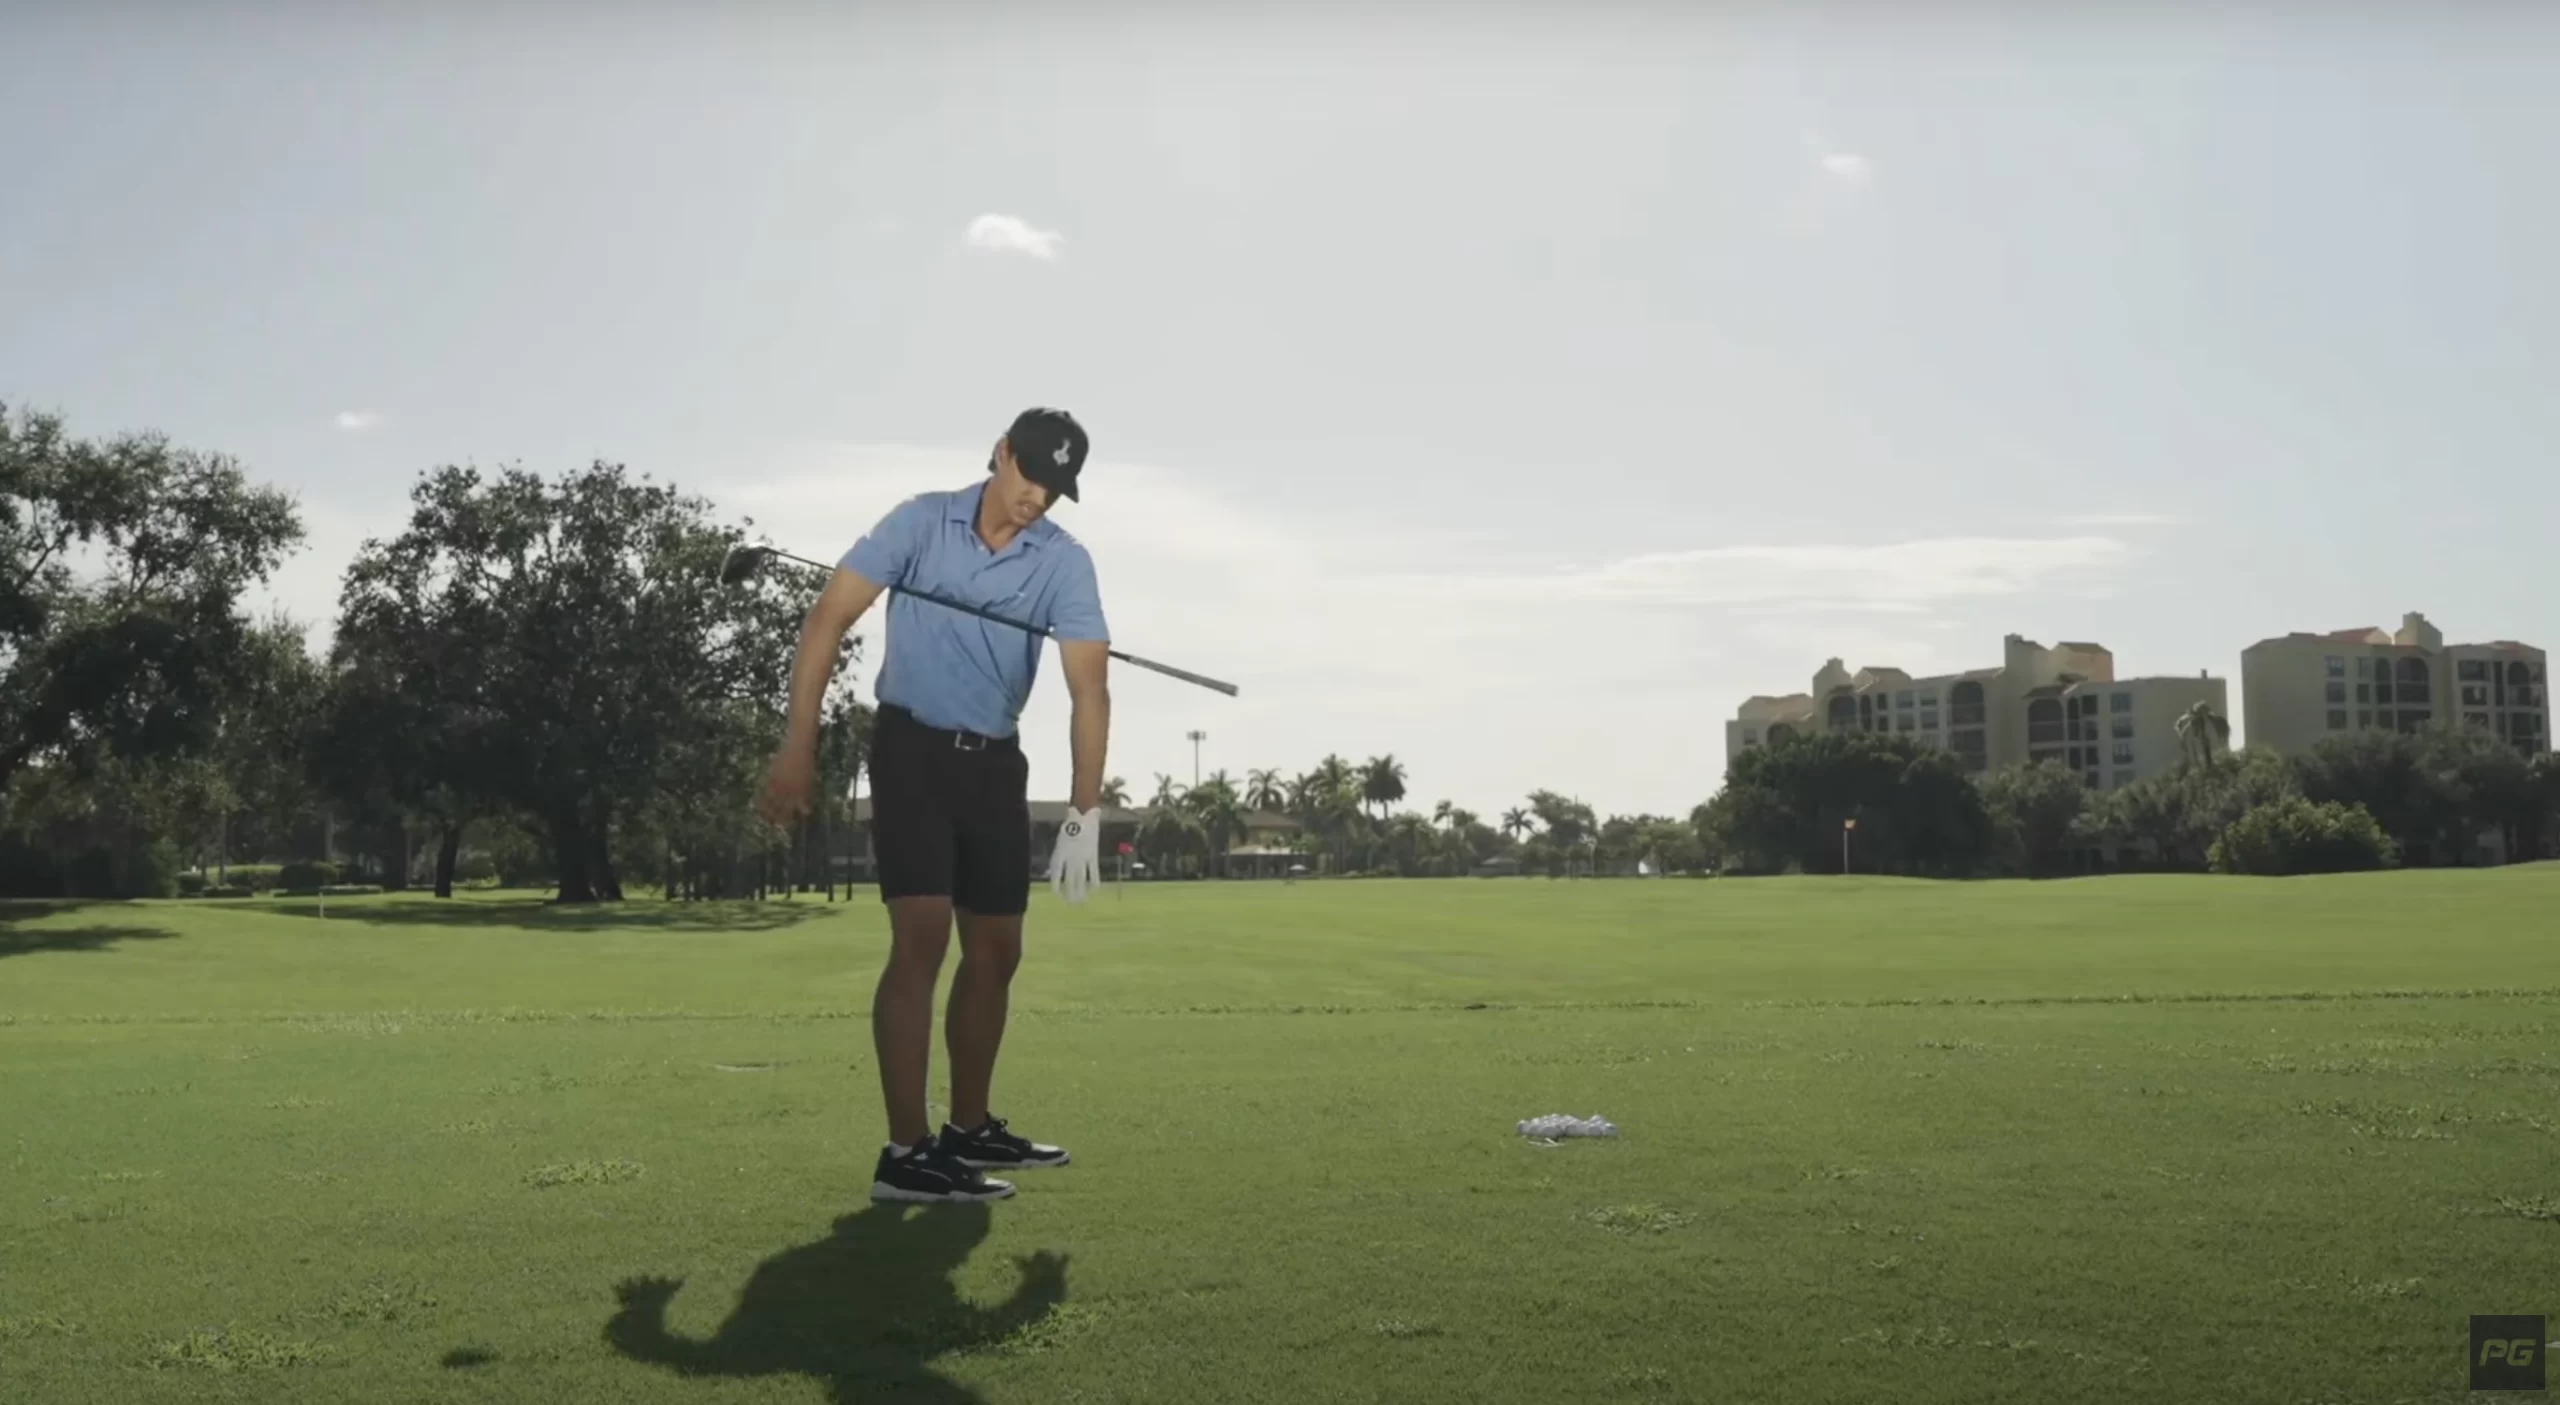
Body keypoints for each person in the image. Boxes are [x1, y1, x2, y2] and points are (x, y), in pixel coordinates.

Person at [757, 407, 1112, 1204]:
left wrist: (1085, 811)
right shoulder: (920, 521)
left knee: (998, 953)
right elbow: (828, 619)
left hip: (994, 766)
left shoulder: (1064, 562)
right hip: (911, 750)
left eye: (1054, 491)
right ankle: (906, 1152)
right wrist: (797, 746)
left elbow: (1089, 687)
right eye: (1029, 477)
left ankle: (970, 1127)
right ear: (1000, 452)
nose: (1035, 501)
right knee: (920, 938)